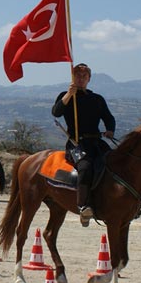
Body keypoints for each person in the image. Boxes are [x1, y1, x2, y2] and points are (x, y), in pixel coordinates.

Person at [51, 63, 115, 227]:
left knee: (115, 162)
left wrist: (110, 130)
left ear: (89, 79)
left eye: (84, 76)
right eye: (77, 76)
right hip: (76, 144)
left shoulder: (97, 99)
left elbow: (109, 118)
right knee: (85, 167)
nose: (81, 79)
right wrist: (68, 95)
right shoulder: (65, 96)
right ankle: (83, 206)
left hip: (96, 142)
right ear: (73, 78)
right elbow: (56, 112)